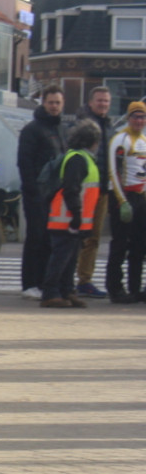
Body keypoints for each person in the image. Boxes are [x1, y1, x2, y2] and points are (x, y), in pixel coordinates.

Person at [40, 120, 103, 308]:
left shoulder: (80, 158)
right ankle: (50, 293)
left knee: (69, 259)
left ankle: (66, 291)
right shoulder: (78, 160)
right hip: (66, 218)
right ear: (93, 141)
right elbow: (71, 189)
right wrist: (76, 214)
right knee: (61, 258)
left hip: (71, 218)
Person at [18, 85, 66, 298]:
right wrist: (33, 191)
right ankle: (30, 284)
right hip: (37, 194)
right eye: (51, 102)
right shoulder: (32, 130)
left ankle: (45, 282)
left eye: (57, 103)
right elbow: (25, 162)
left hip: (57, 194)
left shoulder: (63, 129)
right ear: (43, 103)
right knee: (35, 238)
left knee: (50, 240)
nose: (54, 106)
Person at [74, 86, 114, 299]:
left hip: (102, 189)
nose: (103, 104)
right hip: (85, 189)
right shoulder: (84, 125)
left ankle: (84, 280)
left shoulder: (108, 126)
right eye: (100, 100)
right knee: (79, 236)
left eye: (106, 101)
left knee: (94, 237)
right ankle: (73, 279)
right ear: (90, 102)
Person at [105, 101, 146, 303]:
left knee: (139, 245)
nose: (139, 121)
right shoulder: (120, 139)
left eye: (142, 117)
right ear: (129, 118)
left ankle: (135, 288)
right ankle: (115, 289)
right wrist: (122, 201)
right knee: (120, 244)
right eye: (135, 117)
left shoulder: (144, 140)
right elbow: (113, 171)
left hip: (140, 197)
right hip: (122, 197)